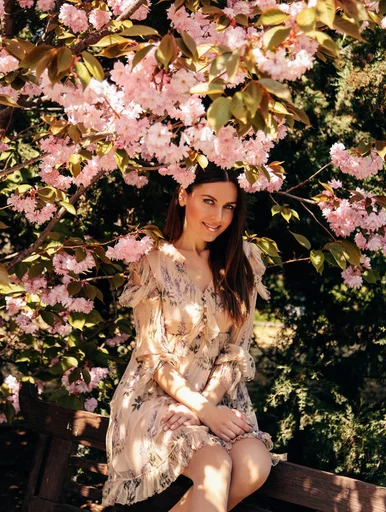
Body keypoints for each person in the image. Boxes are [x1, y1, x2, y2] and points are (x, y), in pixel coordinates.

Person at [101, 163, 280, 511]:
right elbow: (152, 356)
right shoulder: (151, 261)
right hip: (156, 399)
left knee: (254, 465)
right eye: (209, 201)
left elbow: (235, 352)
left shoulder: (244, 262)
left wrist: (208, 407)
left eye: (229, 207)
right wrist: (199, 409)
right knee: (214, 468)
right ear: (183, 195)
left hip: (217, 398)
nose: (219, 216)